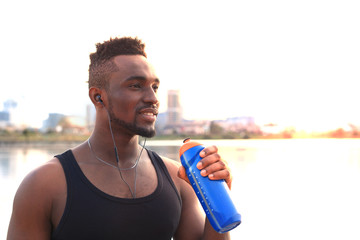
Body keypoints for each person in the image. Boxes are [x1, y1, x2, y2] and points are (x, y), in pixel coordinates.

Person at [7, 37, 233, 240]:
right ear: (98, 97)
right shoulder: (44, 184)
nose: (153, 98)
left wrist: (218, 199)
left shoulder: (177, 178)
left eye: (155, 87)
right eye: (136, 86)